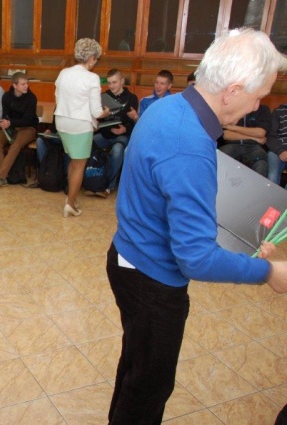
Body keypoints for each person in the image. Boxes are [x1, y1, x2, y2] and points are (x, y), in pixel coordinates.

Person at [107, 28, 287, 425]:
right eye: (259, 96)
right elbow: (197, 259)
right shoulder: (189, 143)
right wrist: (268, 271)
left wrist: (242, 239)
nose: (259, 104)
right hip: (153, 281)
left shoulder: (170, 107)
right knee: (148, 389)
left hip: (128, 256)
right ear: (233, 91)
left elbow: (171, 198)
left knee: (136, 369)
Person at [54, 38, 110, 216]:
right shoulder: (92, 78)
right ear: (91, 58)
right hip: (79, 124)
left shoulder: (63, 73)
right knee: (79, 165)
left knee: (73, 161)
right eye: (96, 59)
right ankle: (70, 204)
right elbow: (96, 111)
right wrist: (106, 112)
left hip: (62, 121)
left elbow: (58, 98)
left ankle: (70, 198)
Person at [90, 68, 139, 197]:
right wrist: (110, 129)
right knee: (88, 143)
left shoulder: (132, 98)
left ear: (122, 81)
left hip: (122, 136)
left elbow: (132, 123)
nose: (111, 86)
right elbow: (99, 120)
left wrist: (125, 129)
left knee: (117, 150)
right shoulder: (103, 97)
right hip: (106, 134)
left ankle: (108, 186)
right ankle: (91, 180)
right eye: (109, 83)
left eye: (114, 82)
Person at [0, 72, 39, 189]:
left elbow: (27, 120)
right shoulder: (6, 97)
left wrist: (10, 122)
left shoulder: (31, 98)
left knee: (15, 145)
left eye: (27, 83)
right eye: (23, 84)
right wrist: (5, 123)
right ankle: (2, 178)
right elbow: (5, 115)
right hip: (11, 127)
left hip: (28, 128)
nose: (26, 86)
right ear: (15, 85)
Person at [219, 104, 271, 177]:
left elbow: (260, 132)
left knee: (261, 165)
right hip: (231, 145)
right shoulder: (229, 107)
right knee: (219, 158)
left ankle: (257, 184)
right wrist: (254, 138)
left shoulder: (263, 109)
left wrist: (232, 127)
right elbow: (226, 134)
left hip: (254, 147)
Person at [267, 103, 287, 186]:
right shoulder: (278, 112)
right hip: (277, 151)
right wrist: (280, 151)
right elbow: (270, 136)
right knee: (272, 177)